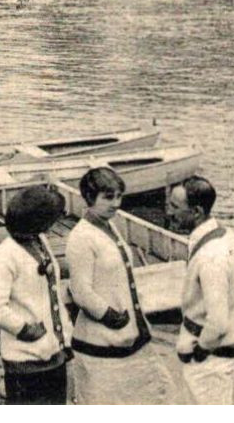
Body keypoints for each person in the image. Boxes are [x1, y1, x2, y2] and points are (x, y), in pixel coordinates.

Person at [64, 167, 175, 404]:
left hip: (130, 336)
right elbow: (81, 291)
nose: (115, 203)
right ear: (89, 198)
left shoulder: (110, 226)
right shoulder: (81, 237)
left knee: (153, 395)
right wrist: (111, 316)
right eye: (108, 197)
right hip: (102, 339)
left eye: (118, 196)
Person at [0, 184, 74, 404]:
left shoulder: (39, 241)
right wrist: (26, 330)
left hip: (53, 352)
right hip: (26, 358)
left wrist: (65, 329)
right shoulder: (6, 254)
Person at [166, 177, 234, 405]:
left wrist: (198, 352)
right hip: (223, 351)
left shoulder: (210, 257)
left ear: (196, 211)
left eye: (175, 207)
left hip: (210, 359)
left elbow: (217, 322)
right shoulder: (228, 237)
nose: (169, 212)